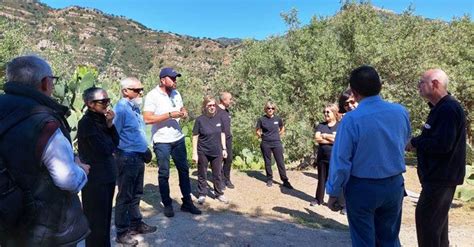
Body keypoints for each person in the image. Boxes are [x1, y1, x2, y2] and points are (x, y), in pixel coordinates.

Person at [0, 55, 90, 246]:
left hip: (8, 221)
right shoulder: (44, 122)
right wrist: (81, 169)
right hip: (47, 229)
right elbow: (68, 180)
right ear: (45, 83)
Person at [326, 65, 411, 246]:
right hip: (394, 184)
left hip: (362, 187)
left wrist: (333, 191)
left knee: (363, 241)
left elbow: (341, 161)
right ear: (380, 85)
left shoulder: (351, 119)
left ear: (354, 93)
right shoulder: (401, 112)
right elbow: (404, 142)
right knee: (390, 239)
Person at [406, 69, 466, 247]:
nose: (418, 86)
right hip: (438, 178)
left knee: (428, 227)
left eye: (422, 82)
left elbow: (442, 145)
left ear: (435, 84)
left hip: (440, 178)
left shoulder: (448, 109)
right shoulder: (440, 108)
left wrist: (415, 143)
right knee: (436, 228)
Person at [143, 67, 201, 217]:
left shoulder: (176, 93)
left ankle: (187, 202)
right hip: (162, 140)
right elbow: (147, 119)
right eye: (172, 78)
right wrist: (169, 115)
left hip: (178, 138)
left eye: (176, 78)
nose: (175, 81)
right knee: (164, 173)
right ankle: (167, 204)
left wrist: (183, 112)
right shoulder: (152, 96)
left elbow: (181, 108)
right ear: (163, 80)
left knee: (184, 170)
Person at [113, 77, 157, 246]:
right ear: (125, 91)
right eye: (137, 90)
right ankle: (122, 232)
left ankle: (136, 224)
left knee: (137, 194)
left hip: (138, 157)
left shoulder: (134, 109)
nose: (141, 93)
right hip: (127, 157)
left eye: (141, 89)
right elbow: (114, 135)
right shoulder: (122, 110)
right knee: (125, 195)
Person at [78, 87, 119, 247]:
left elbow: (115, 142)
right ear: (90, 104)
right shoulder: (86, 123)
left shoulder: (102, 120)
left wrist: (110, 125)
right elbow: (106, 149)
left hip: (107, 175)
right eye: (103, 101)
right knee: (95, 222)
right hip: (95, 179)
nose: (107, 104)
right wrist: (109, 135)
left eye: (108, 100)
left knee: (106, 219)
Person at [192, 96, 228, 204]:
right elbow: (195, 136)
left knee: (217, 174)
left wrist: (224, 148)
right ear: (205, 107)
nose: (212, 107)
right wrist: (194, 153)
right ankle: (202, 194)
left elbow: (222, 133)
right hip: (203, 151)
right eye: (209, 105)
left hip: (217, 151)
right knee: (202, 173)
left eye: (213, 105)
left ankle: (219, 194)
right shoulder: (200, 120)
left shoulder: (219, 118)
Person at [256, 101, 294, 189]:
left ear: (274, 109)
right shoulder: (261, 119)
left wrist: (278, 134)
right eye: (268, 108)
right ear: (265, 109)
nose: (270, 110)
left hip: (277, 143)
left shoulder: (278, 119)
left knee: (280, 162)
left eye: (272, 108)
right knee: (268, 162)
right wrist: (261, 136)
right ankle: (269, 179)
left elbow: (282, 128)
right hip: (266, 143)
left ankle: (285, 180)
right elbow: (257, 130)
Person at [310, 103, 340, 206]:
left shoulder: (340, 125)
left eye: (328, 112)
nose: (325, 113)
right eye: (324, 112)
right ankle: (318, 199)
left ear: (335, 112)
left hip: (336, 158)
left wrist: (325, 135)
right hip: (322, 157)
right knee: (321, 179)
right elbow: (317, 138)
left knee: (337, 180)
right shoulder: (321, 125)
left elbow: (339, 140)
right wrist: (332, 138)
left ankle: (340, 203)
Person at [217, 92, 234, 189]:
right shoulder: (216, 110)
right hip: (218, 139)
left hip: (228, 138)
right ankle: (220, 180)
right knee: (219, 160)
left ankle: (227, 178)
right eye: (230, 99)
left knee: (229, 159)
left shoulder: (226, 111)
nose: (231, 101)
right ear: (223, 100)